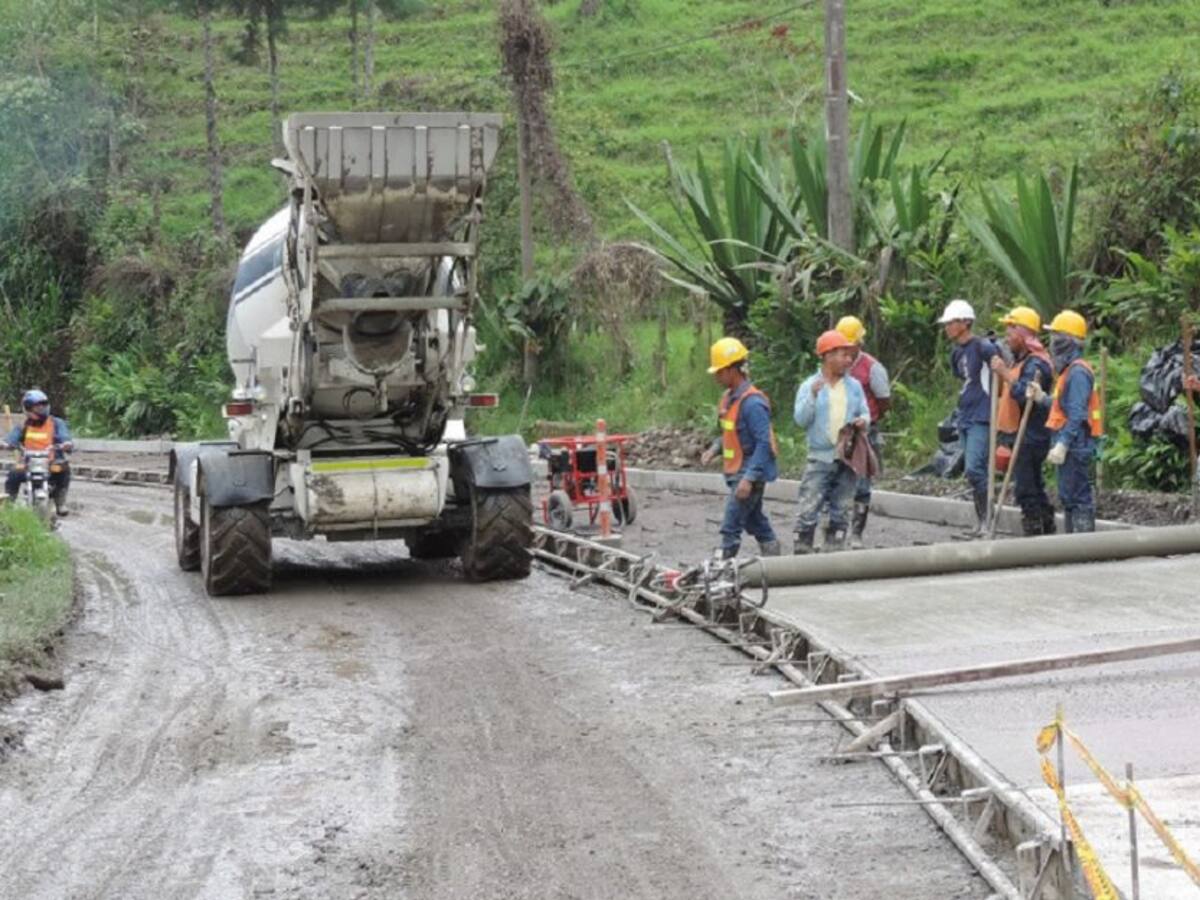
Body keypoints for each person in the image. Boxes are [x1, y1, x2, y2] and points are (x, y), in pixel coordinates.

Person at [699, 337, 781, 559]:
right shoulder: (729, 399)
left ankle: (723, 564)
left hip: (749, 471)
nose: (716, 377)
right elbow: (730, 433)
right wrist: (714, 449)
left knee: (731, 523)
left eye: (719, 372)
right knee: (754, 520)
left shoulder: (753, 403)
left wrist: (749, 479)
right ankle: (774, 558)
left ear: (732, 370)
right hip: (737, 470)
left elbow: (763, 443)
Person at [793, 330, 870, 553]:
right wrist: (812, 396)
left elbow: (865, 412)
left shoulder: (854, 386)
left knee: (842, 506)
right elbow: (801, 420)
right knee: (809, 504)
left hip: (847, 457)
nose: (849, 359)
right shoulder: (810, 385)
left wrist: (863, 421)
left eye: (849, 355)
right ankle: (803, 549)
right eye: (843, 355)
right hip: (820, 457)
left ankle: (834, 551)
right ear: (827, 356)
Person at [1029, 310, 1102, 533]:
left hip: (1075, 444)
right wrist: (1042, 398)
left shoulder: (1078, 372)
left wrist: (1063, 443)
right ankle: (1073, 545)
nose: (1052, 343)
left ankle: (1083, 546)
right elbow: (1063, 406)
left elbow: (1077, 414)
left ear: (1066, 341)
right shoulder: (1069, 371)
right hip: (1072, 442)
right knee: (1069, 497)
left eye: (1056, 337)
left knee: (1078, 498)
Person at [988, 305, 1056, 535]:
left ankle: (1036, 529)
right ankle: (1045, 526)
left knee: (1026, 487)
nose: (1007, 338)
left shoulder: (1036, 364)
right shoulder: (1021, 361)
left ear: (1023, 333)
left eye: (1011, 332)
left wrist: (1005, 374)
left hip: (1031, 434)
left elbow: (1026, 397)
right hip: (1021, 432)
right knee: (1033, 484)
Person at [939, 299, 1000, 536]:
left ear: (965, 323)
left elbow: (1000, 372)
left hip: (982, 416)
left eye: (951, 322)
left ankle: (988, 521)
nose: (947, 327)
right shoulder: (956, 353)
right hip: (965, 414)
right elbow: (964, 378)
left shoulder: (983, 347)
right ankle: (981, 521)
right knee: (972, 472)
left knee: (975, 468)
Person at [835, 315, 891, 549]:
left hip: (865, 431)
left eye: (849, 345)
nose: (845, 350)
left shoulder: (872, 368)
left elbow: (884, 400)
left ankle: (856, 532)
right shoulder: (834, 366)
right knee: (836, 480)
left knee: (862, 484)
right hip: (839, 430)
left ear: (859, 343)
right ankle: (836, 531)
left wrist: (870, 419)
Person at [2, 389, 74, 516]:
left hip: (51, 461)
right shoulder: (23, 425)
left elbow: (65, 437)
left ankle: (60, 502)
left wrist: (66, 444)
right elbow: (12, 439)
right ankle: (9, 504)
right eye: (37, 406)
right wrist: (5, 444)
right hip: (29, 463)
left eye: (43, 405)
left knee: (64, 470)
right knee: (14, 474)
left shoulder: (56, 423)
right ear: (28, 408)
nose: (41, 409)